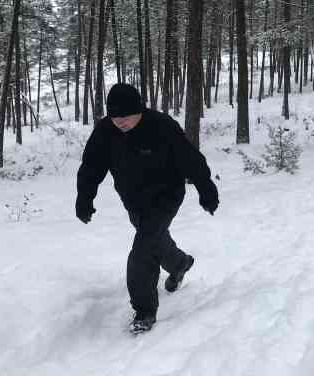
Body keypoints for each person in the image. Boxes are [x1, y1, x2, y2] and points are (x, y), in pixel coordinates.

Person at [75, 83, 219, 335]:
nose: (120, 121)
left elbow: (191, 159)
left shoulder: (162, 126)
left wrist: (206, 190)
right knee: (154, 240)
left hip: (166, 196)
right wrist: (84, 199)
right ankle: (180, 264)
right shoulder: (105, 130)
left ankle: (144, 311)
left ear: (139, 110)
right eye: (114, 116)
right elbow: (91, 167)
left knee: (142, 249)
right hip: (133, 200)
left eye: (126, 116)